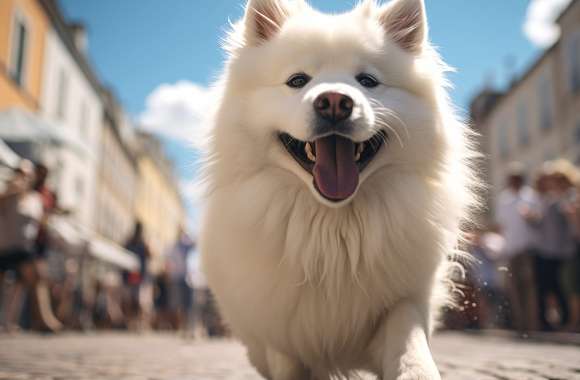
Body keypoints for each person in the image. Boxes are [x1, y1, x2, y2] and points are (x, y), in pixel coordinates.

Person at [495, 163, 540, 333]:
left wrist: (532, 216)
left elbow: (538, 219)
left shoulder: (530, 196)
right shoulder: (504, 199)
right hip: (511, 249)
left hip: (527, 248)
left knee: (529, 287)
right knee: (514, 288)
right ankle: (520, 325)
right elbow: (502, 226)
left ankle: (532, 325)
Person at [0, 161, 41, 331]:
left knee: (20, 286)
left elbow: (37, 223)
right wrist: (12, 189)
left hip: (24, 248)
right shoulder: (8, 192)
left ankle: (11, 321)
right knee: (3, 285)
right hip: (5, 245)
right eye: (20, 172)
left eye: (26, 174)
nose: (23, 177)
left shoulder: (34, 199)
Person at [123, 222, 151, 330]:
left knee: (132, 300)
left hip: (132, 274)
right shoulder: (141, 243)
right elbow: (149, 255)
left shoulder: (131, 241)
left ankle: (132, 322)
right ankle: (136, 323)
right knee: (137, 300)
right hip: (137, 274)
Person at [165, 230, 195, 332]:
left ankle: (185, 326)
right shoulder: (173, 247)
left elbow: (194, 244)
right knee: (178, 303)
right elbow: (168, 262)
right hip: (177, 278)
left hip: (184, 278)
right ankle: (180, 326)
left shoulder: (184, 245)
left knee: (185, 303)